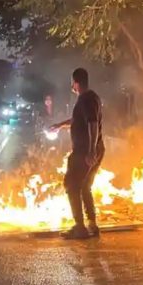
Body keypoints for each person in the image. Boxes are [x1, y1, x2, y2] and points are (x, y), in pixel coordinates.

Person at [50, 68, 104, 239]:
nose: (71, 86)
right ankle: (92, 225)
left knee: (71, 184)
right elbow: (78, 120)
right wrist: (60, 125)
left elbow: (92, 123)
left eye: (72, 82)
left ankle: (79, 227)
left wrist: (90, 150)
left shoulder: (86, 99)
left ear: (76, 82)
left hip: (84, 152)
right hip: (93, 150)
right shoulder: (89, 98)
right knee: (85, 186)